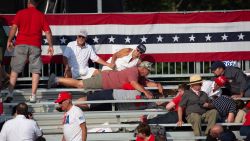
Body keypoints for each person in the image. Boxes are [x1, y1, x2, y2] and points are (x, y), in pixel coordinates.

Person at [4, 0, 54, 103]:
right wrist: (50, 45)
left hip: (21, 44)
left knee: (14, 70)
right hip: (35, 45)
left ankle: (10, 94)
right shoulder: (41, 15)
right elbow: (48, 32)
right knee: (35, 71)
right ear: (36, 4)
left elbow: (14, 28)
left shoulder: (20, 13)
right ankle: (33, 96)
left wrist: (9, 40)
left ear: (28, 3)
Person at [48, 61, 156, 99]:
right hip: (104, 80)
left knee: (80, 85)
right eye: (148, 71)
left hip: (105, 81)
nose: (149, 73)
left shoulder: (138, 74)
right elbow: (134, 84)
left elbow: (146, 83)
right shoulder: (134, 71)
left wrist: (158, 85)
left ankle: (57, 80)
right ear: (144, 68)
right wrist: (146, 92)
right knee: (80, 84)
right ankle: (56, 79)